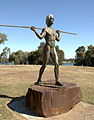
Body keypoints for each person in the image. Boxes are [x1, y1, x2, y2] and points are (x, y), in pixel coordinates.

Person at [31, 14, 62, 86]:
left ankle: (57, 80)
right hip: (47, 48)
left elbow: (58, 40)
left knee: (57, 64)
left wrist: (59, 34)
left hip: (53, 48)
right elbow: (41, 37)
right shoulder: (45, 29)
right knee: (44, 64)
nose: (53, 19)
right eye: (51, 18)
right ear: (48, 20)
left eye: (53, 18)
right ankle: (39, 80)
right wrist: (34, 30)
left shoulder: (54, 31)